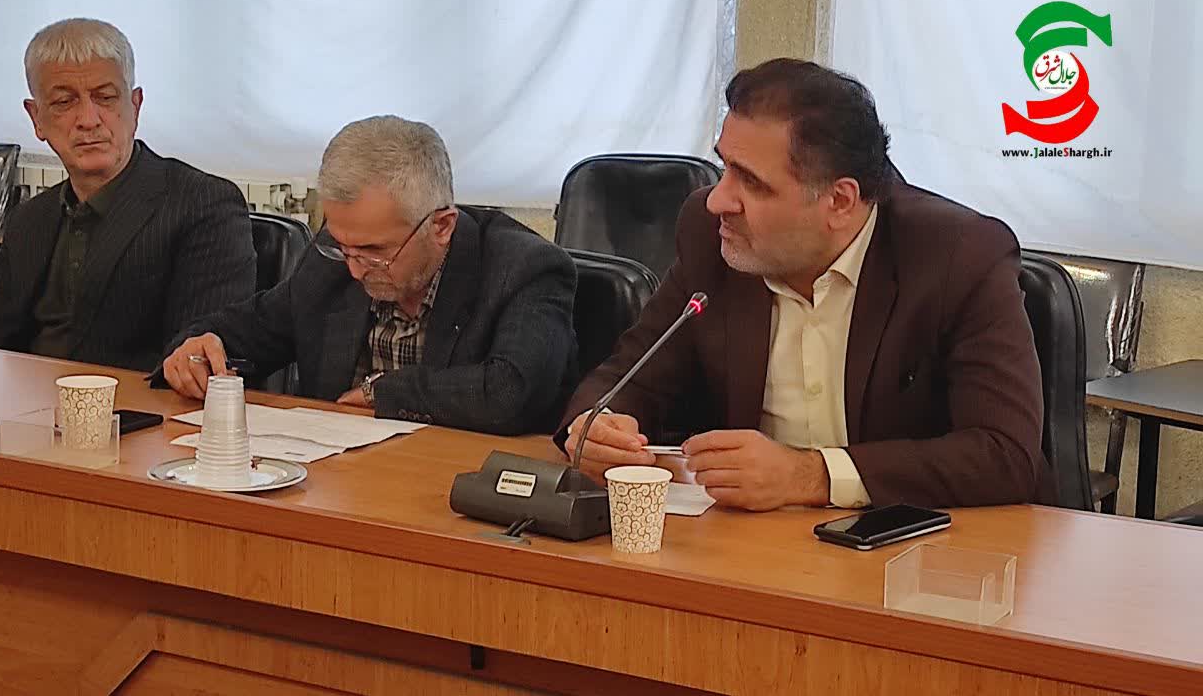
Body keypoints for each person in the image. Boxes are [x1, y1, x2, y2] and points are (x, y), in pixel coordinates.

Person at [559, 58, 1054, 510]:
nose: (717, 200)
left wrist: (810, 475)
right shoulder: (712, 236)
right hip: (758, 545)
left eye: (751, 182)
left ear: (839, 202)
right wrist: (596, 428)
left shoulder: (957, 256)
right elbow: (630, 374)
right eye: (725, 167)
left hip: (922, 549)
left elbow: (1004, 453)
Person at [161, 116, 578, 435]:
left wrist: (383, 392)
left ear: (442, 226)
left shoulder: (525, 269)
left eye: (376, 252)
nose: (355, 269)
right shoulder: (336, 257)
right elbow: (254, 327)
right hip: (343, 483)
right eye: (343, 246)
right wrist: (196, 348)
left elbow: (509, 392)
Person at [0, 18, 256, 371]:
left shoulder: (203, 206)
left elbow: (198, 362)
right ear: (36, 118)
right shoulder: (29, 219)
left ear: (135, 106)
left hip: (137, 403)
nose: (88, 120)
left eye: (105, 98)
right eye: (63, 101)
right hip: (27, 399)